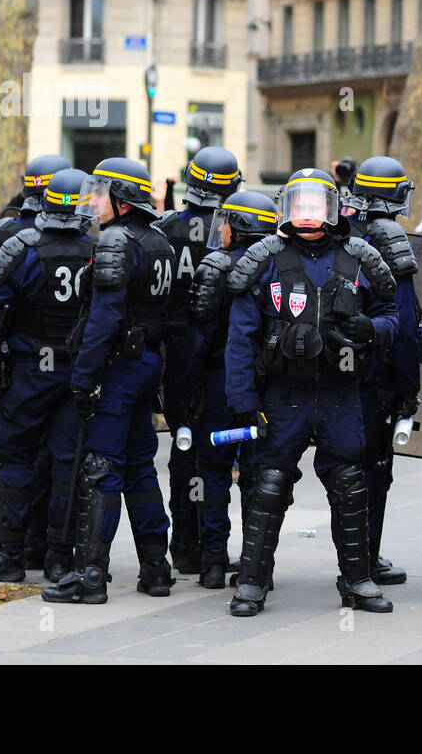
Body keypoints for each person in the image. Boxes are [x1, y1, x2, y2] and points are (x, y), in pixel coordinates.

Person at [223, 168, 399, 617]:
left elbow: (396, 316)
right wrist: (242, 402)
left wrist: (373, 328)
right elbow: (240, 337)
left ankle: (358, 580)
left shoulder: (360, 257)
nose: (306, 215)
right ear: (286, 209)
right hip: (284, 394)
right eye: (298, 206)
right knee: (268, 487)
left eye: (315, 206)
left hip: (341, 392)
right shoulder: (265, 257)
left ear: (332, 209)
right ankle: (251, 584)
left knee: (350, 487)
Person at [41, 158, 177, 605]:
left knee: (101, 470)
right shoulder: (157, 239)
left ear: (121, 201)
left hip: (117, 369)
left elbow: (104, 319)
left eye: (100, 194)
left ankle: (91, 577)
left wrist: (83, 380)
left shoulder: (116, 240)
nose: (93, 203)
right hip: (147, 365)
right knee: (139, 465)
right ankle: (157, 569)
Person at [0, 169, 97, 583]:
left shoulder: (22, 249)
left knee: (16, 460)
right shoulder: (96, 249)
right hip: (75, 373)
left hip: (28, 372)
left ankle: (7, 556)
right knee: (66, 466)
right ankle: (59, 558)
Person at [174, 190, 278, 588]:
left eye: (227, 222)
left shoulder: (215, 267)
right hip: (265, 390)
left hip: (218, 386)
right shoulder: (279, 265)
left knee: (214, 471)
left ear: (239, 226)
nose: (221, 229)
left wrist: (183, 395)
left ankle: (214, 561)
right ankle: (257, 568)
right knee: (258, 475)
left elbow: (195, 340)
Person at [154, 146, 242, 575]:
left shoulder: (165, 229)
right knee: (219, 460)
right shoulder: (240, 229)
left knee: (183, 452)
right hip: (225, 362)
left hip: (173, 358)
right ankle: (214, 549)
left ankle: (184, 547)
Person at [343, 156, 422, 586]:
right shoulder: (389, 239)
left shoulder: (342, 231)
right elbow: (405, 327)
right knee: (373, 472)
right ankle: (363, 563)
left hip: (333, 375)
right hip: (375, 377)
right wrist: (410, 389)